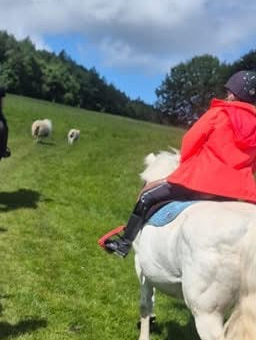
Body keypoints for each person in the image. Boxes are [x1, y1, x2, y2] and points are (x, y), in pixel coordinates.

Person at [102, 70, 256, 257]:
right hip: (237, 193)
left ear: (234, 94)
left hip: (201, 182)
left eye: (229, 91)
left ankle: (124, 244)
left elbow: (190, 141)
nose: (227, 95)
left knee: (146, 197)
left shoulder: (218, 113)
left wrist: (186, 167)